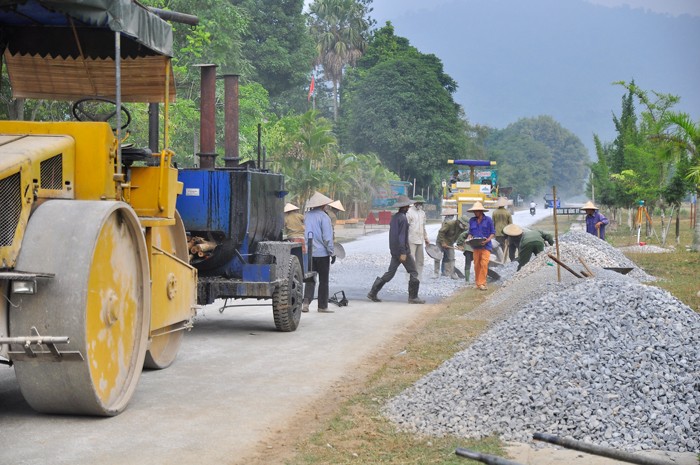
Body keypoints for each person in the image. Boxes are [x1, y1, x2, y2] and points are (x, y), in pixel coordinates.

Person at [367, 196, 425, 304]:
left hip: (394, 251)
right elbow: (401, 237)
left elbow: (393, 236)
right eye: (408, 205)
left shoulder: (394, 217)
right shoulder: (403, 218)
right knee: (413, 272)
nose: (409, 207)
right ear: (406, 207)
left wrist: (395, 251)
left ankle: (372, 292)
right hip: (402, 251)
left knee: (390, 273)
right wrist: (403, 252)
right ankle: (413, 297)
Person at [303, 192, 335, 313]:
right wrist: (331, 252)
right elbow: (327, 238)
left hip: (308, 253)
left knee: (310, 279)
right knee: (323, 281)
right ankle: (322, 306)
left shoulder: (306, 216)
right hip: (322, 254)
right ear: (323, 205)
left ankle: (305, 303)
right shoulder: (324, 217)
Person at [465, 201, 495, 290]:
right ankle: (478, 283)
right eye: (474, 211)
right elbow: (470, 233)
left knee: (484, 264)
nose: (475, 213)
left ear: (481, 211)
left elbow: (492, 233)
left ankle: (482, 283)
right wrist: (469, 239)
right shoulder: (472, 220)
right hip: (476, 246)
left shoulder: (488, 220)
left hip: (486, 246)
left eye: (477, 211)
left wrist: (487, 241)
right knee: (476, 265)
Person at [436, 213, 469, 279]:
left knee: (451, 257)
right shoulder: (450, 224)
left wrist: (461, 245)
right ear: (459, 222)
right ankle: (436, 273)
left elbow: (463, 238)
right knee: (437, 257)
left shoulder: (463, 228)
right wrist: (443, 242)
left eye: (465, 225)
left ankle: (451, 273)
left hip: (450, 243)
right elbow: (441, 232)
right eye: (463, 224)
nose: (464, 226)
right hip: (440, 241)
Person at [406, 195, 430, 278]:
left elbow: (423, 227)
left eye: (421, 203)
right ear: (414, 202)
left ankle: (418, 278)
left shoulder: (422, 213)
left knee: (420, 261)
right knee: (410, 261)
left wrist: (426, 238)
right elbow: (405, 227)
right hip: (411, 239)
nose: (420, 204)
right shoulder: (409, 212)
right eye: (419, 202)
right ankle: (409, 278)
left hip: (420, 240)